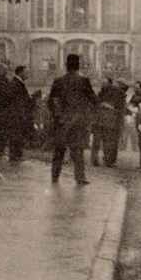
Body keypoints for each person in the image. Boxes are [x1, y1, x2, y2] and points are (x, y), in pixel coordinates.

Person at [47, 53, 97, 185]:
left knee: (59, 150)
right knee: (77, 151)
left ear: (66, 65)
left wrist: (56, 115)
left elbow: (50, 101)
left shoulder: (58, 81)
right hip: (78, 121)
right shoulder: (84, 81)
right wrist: (86, 115)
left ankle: (54, 176)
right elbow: (94, 100)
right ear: (78, 65)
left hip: (62, 121)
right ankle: (79, 178)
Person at [8, 65, 33, 161]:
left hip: (17, 113)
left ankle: (17, 154)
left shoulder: (17, 83)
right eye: (26, 72)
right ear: (21, 72)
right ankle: (15, 155)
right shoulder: (16, 84)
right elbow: (18, 101)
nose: (27, 74)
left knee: (17, 134)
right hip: (17, 114)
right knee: (16, 134)